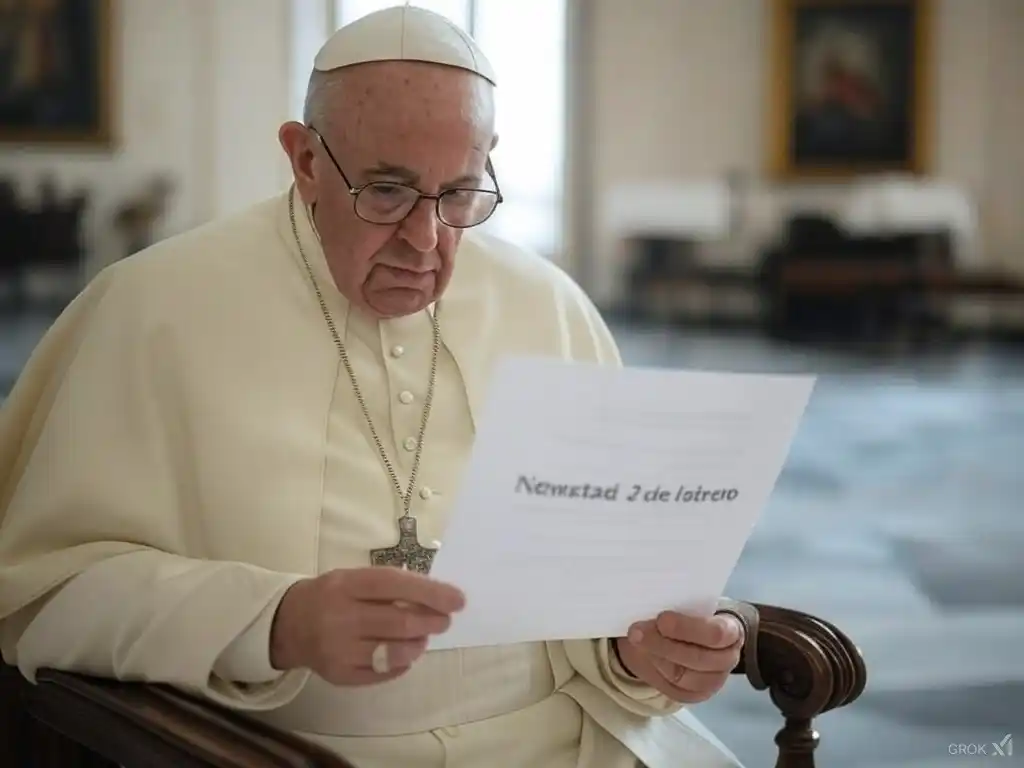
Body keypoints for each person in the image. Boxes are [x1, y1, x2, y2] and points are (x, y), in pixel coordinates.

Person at [0, 6, 753, 767]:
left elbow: (606, 578)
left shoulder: (548, 307)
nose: (425, 241)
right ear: (305, 160)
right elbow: (43, 595)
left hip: (571, 742)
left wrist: (643, 650)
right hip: (279, 752)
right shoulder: (154, 307)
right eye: (388, 192)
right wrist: (275, 621)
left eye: (459, 194)